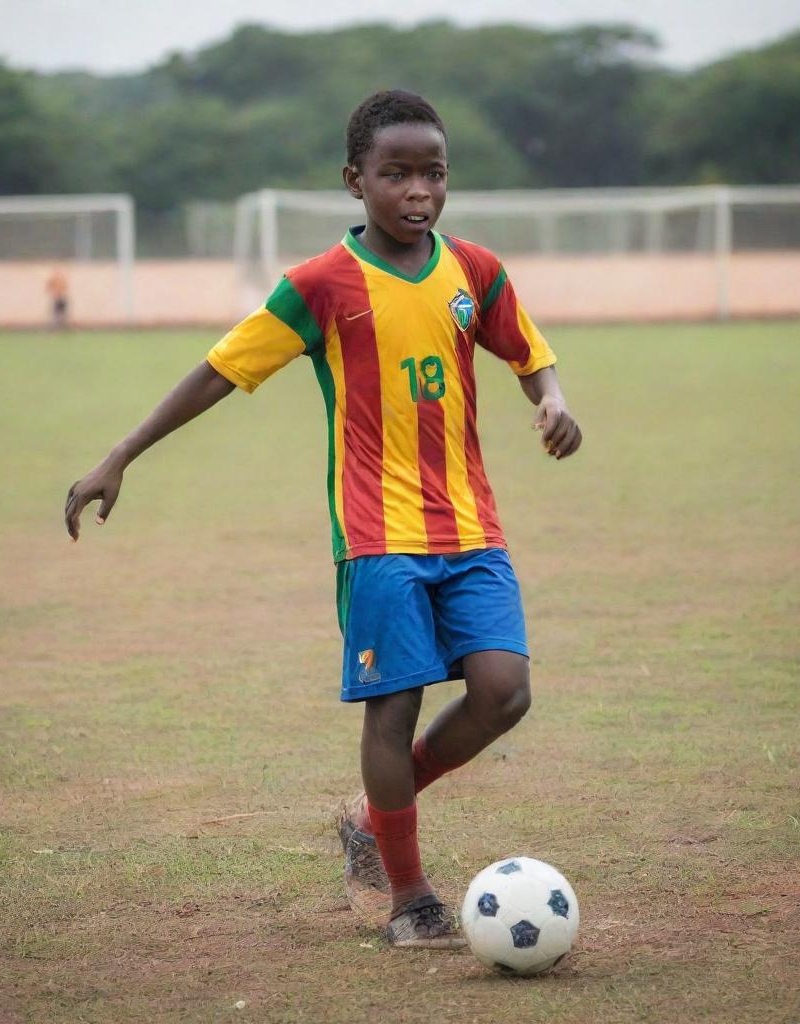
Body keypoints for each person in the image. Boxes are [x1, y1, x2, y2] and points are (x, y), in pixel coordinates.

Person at [64, 90, 582, 949]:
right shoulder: (319, 286)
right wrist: (121, 453)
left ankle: (371, 817)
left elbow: (529, 354)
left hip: (470, 526)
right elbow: (218, 372)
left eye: (434, 173)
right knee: (397, 703)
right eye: (397, 174)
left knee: (504, 692)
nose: (418, 191)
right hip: (377, 535)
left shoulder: (476, 271)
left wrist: (555, 401)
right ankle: (410, 899)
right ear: (355, 180)